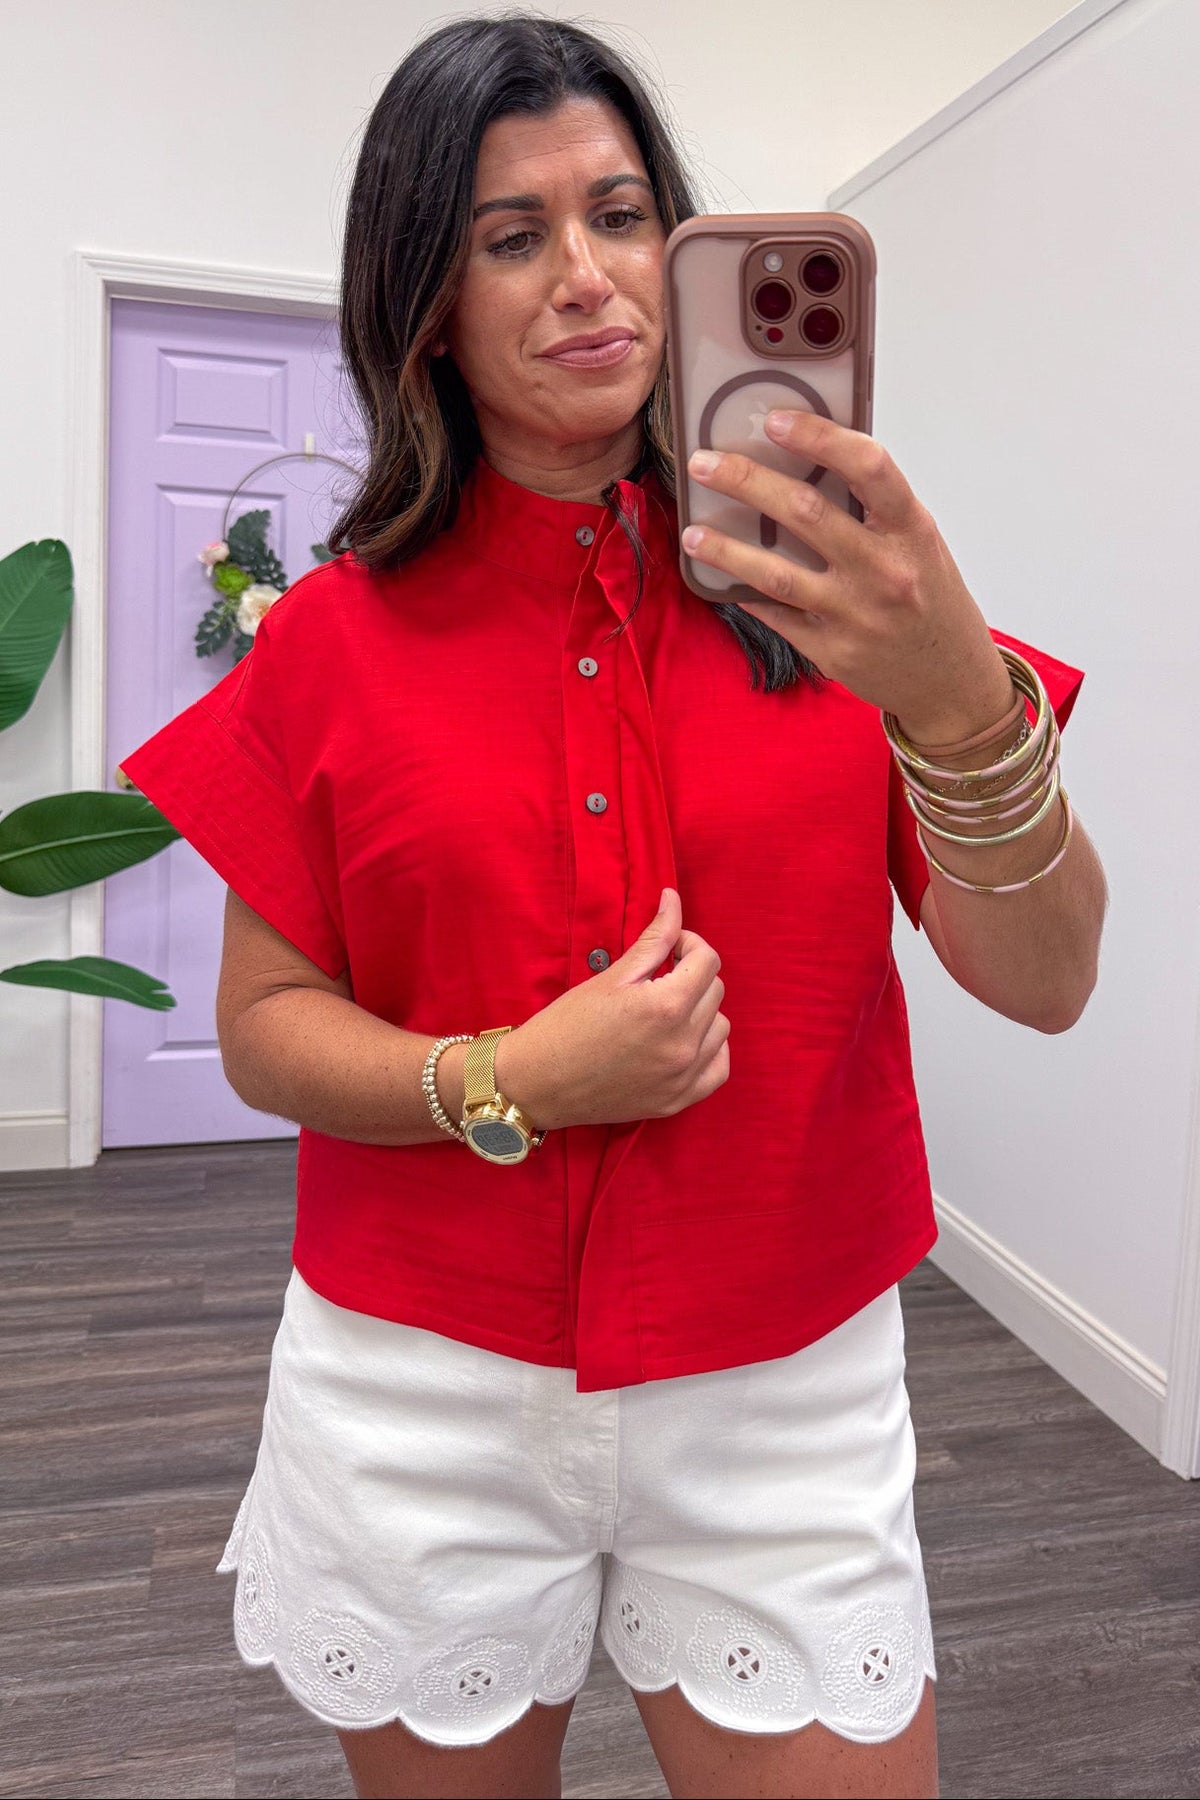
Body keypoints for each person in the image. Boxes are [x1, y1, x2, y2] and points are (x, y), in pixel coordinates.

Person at [119, 17, 1107, 1799]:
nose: (587, 275)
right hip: (418, 1392)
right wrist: (512, 1077)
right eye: (513, 237)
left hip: (786, 1389)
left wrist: (959, 694)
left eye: (624, 214)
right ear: (429, 304)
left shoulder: (853, 599)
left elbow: (1048, 980)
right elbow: (262, 1031)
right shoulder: (331, 640)